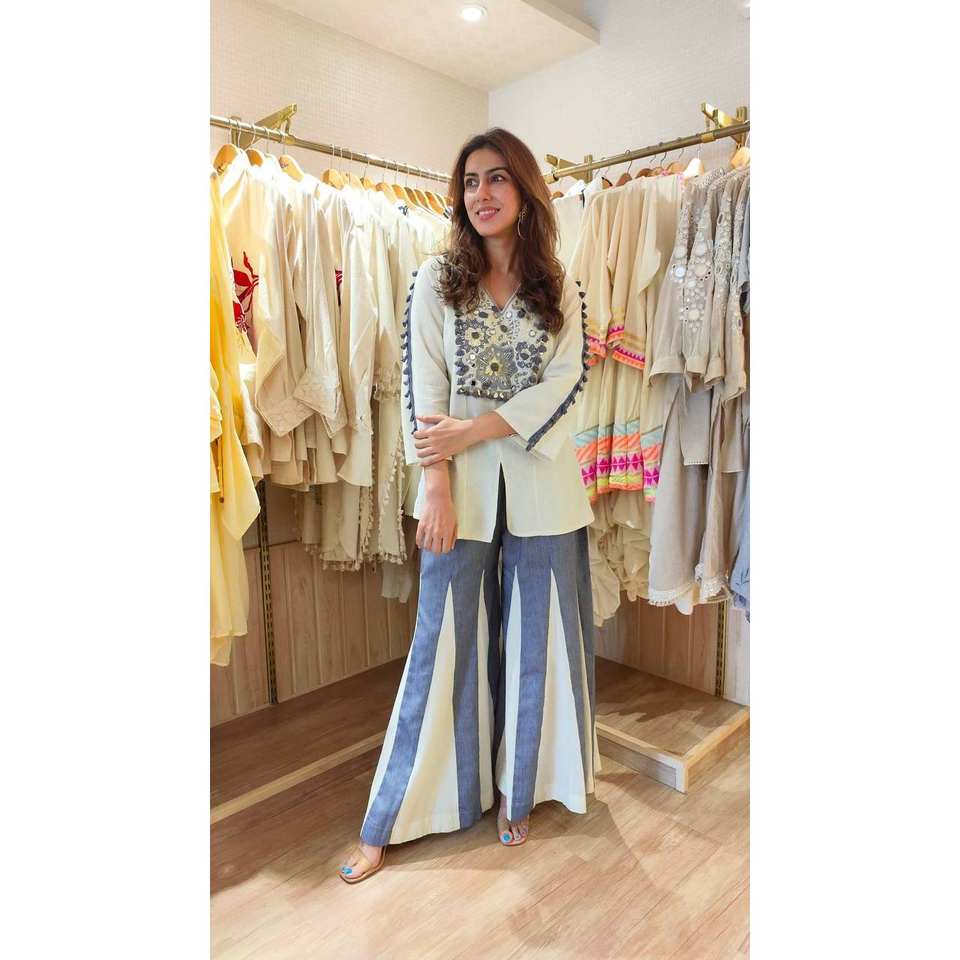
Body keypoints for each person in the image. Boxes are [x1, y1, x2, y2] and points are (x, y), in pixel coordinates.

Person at [338, 127, 600, 884]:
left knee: (538, 643)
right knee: (440, 642)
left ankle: (521, 791)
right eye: (470, 181)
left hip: (546, 490)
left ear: (524, 190)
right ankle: (391, 818)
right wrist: (438, 489)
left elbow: (566, 386)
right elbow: (424, 393)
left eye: (497, 178)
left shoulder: (562, 289)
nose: (481, 194)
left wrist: (475, 429)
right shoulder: (435, 280)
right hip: (457, 493)